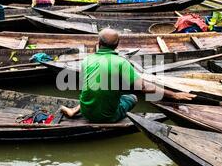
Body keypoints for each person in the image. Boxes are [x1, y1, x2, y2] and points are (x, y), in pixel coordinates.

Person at [60, 29, 195, 122]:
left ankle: (74, 110)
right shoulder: (121, 63)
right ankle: (114, 115)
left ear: (98, 44)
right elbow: (144, 87)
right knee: (133, 97)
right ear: (117, 45)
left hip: (86, 111)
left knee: (94, 87)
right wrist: (174, 95)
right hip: (108, 117)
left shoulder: (87, 60)